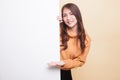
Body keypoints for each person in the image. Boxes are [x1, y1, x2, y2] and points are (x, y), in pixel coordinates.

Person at [48, 3, 91, 80]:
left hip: (64, 71)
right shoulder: (58, 29)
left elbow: (80, 61)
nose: (68, 18)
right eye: (65, 15)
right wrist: (53, 21)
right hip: (46, 68)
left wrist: (63, 62)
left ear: (77, 15)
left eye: (71, 14)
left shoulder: (85, 39)